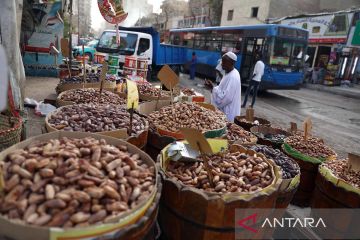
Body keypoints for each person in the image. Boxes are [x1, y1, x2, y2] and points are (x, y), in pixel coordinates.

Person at [205, 52, 241, 122]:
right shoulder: (228, 73)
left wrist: (213, 89)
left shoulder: (233, 77)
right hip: (225, 112)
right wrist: (212, 87)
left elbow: (226, 98)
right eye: (222, 61)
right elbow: (222, 89)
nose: (221, 64)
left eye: (224, 62)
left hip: (228, 113)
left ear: (232, 63)